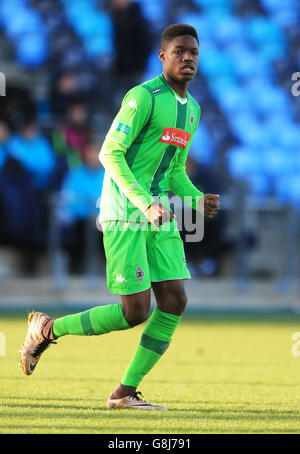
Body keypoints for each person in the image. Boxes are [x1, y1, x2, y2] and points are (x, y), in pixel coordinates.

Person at [20, 24, 220, 410]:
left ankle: (125, 392)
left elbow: (175, 168)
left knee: (175, 299)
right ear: (162, 57)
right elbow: (109, 153)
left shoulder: (192, 109)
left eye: (193, 52)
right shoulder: (143, 97)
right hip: (125, 212)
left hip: (157, 214)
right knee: (135, 312)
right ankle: (46, 329)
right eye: (179, 51)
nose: (188, 57)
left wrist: (197, 199)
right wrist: (145, 202)